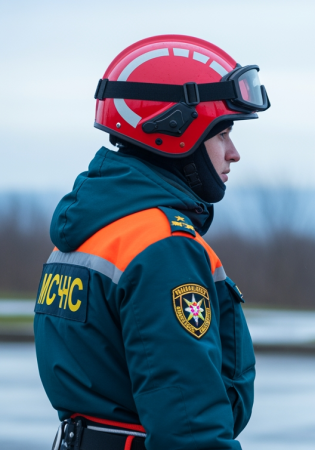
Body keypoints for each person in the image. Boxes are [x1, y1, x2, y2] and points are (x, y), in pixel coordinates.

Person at [34, 35, 270, 450]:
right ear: (176, 129)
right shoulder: (161, 246)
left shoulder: (86, 230)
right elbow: (190, 426)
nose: (233, 154)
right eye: (222, 134)